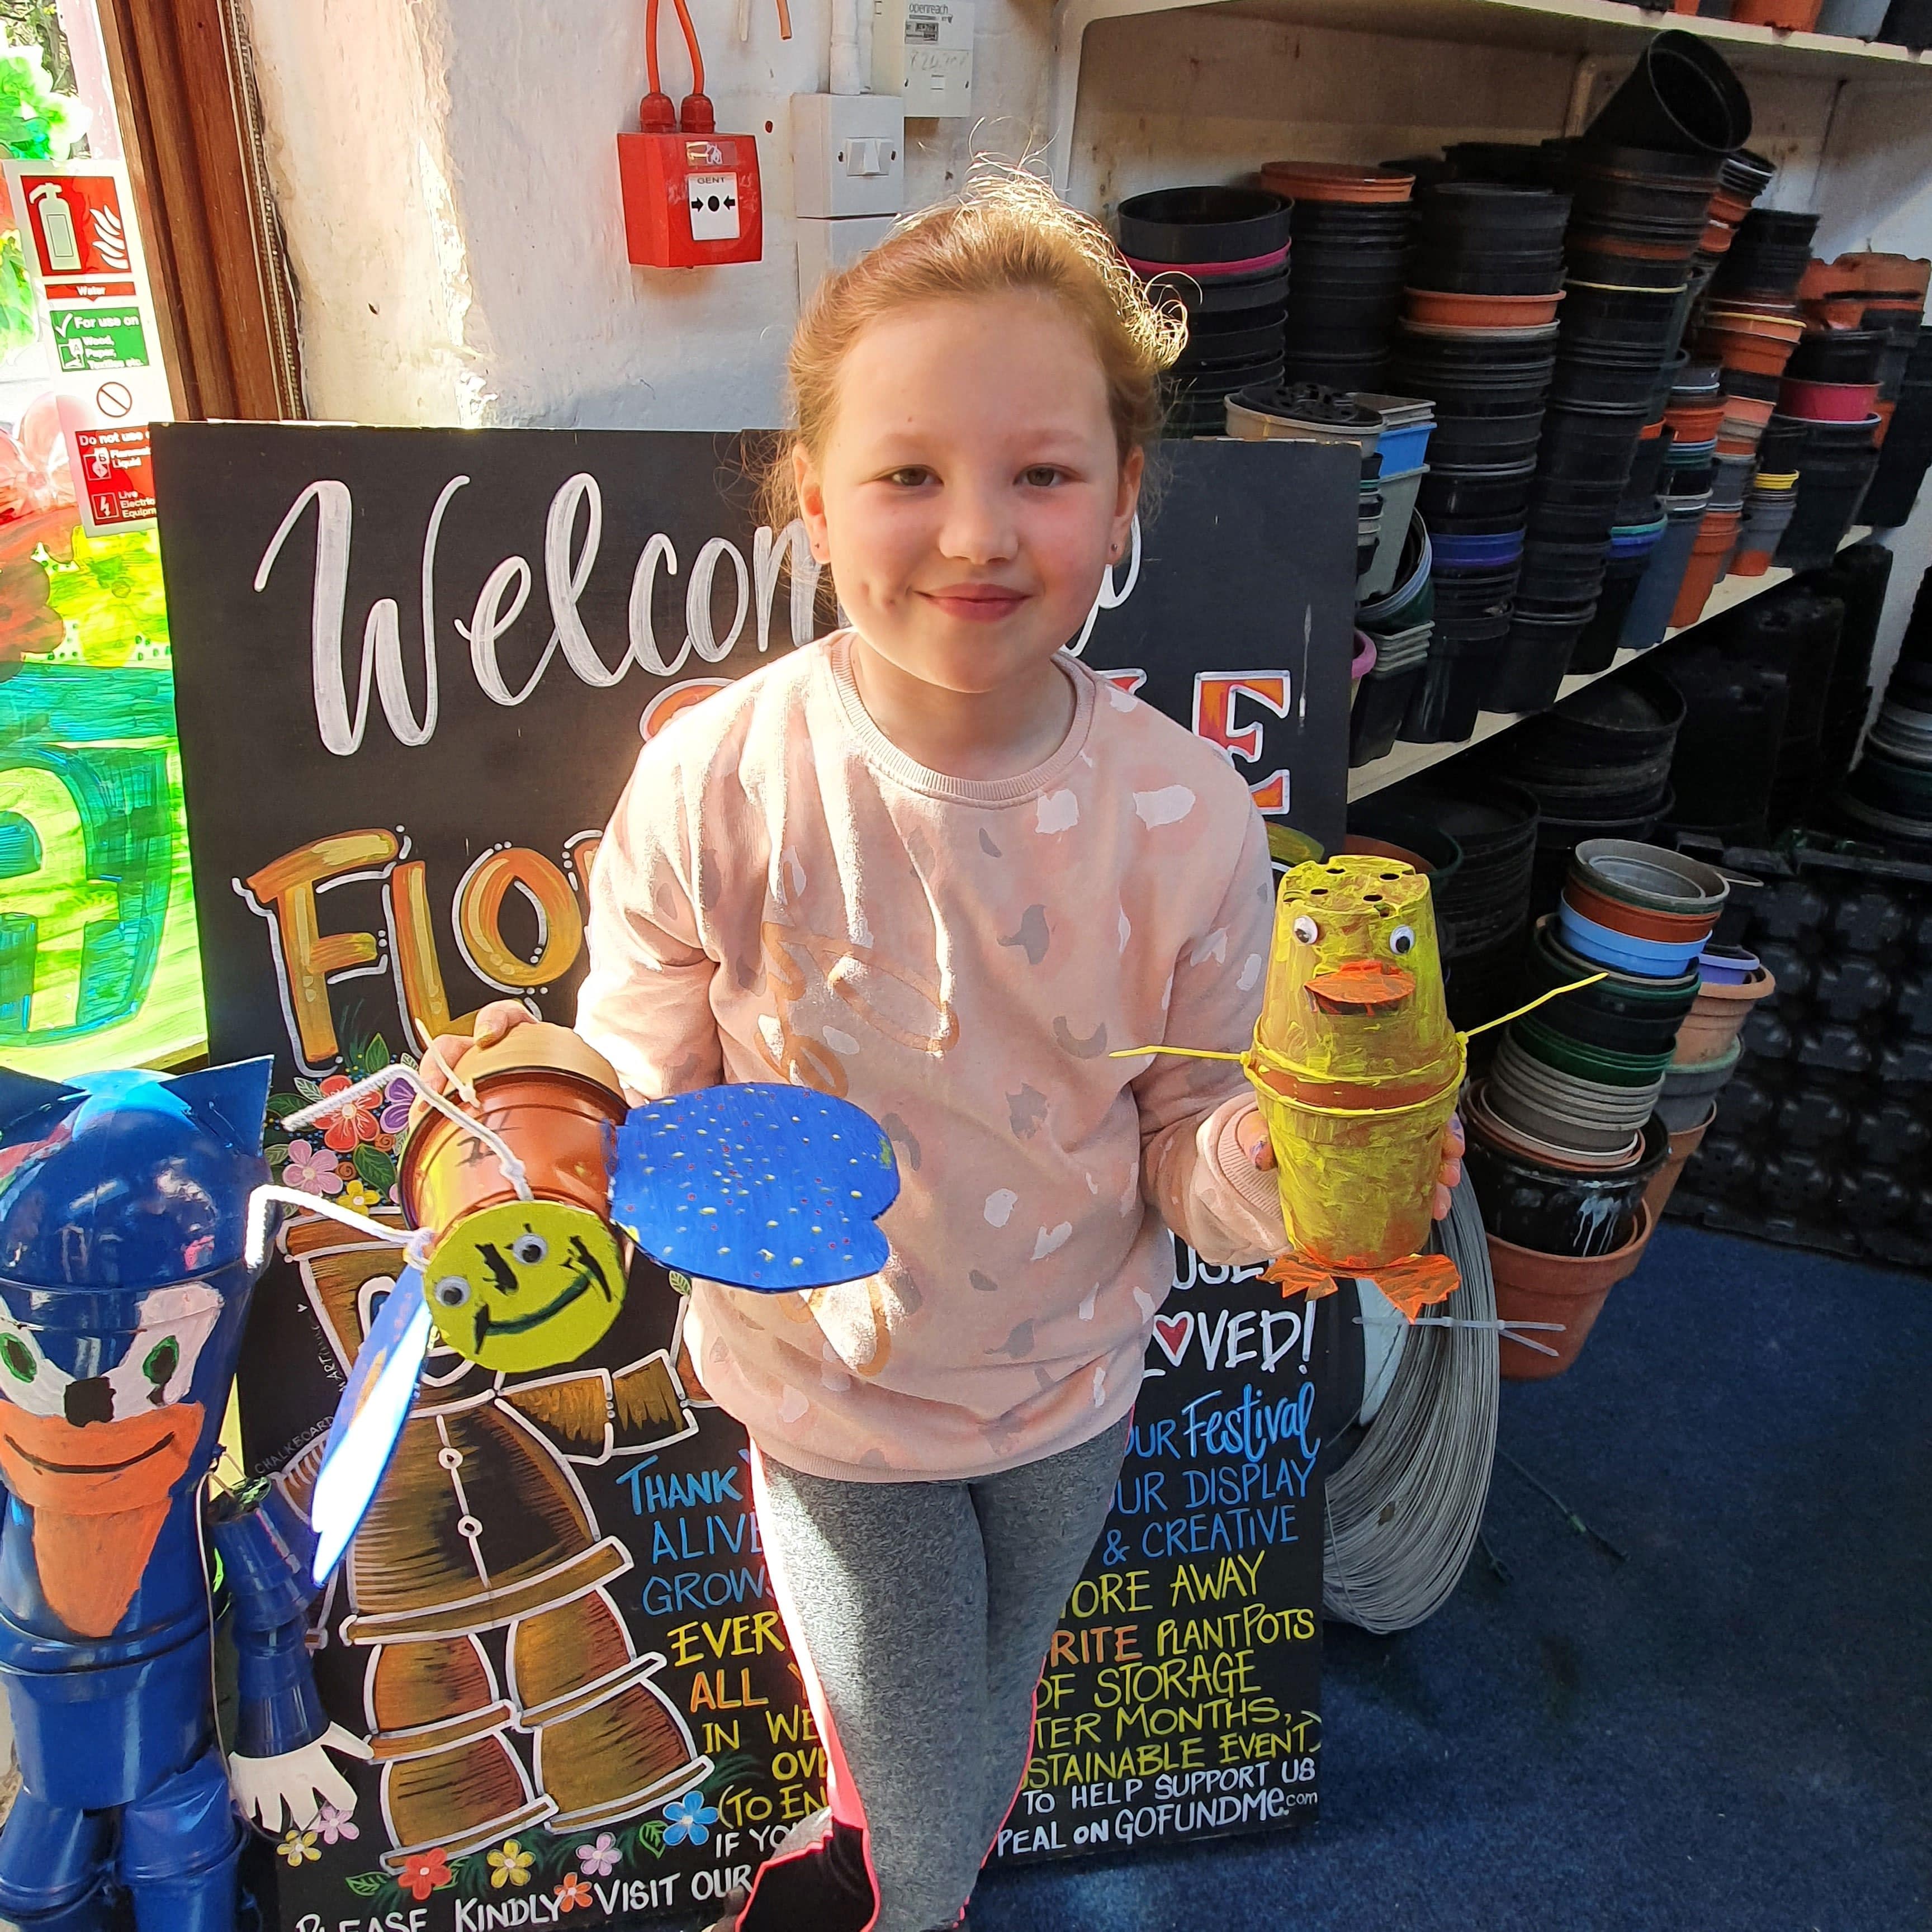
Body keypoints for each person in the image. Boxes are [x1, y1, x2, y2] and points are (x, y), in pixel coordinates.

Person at [422, 164, 1461, 1932]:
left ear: (1125, 496)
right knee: (928, 1770)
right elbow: (642, 1029)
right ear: (813, 500)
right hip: (832, 1389)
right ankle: (903, 1894)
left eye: (1042, 474)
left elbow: (1188, 1123)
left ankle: (867, 1852)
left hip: (1073, 1376)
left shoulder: (1185, 810)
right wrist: (574, 1130)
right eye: (909, 474)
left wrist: (1280, 1167)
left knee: (990, 1697)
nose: (977, 534)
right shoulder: (726, 774)